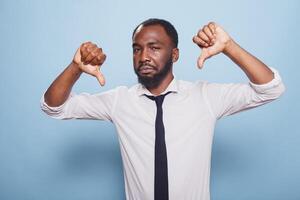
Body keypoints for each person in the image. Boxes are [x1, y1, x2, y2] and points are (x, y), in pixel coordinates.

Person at [40, 18, 285, 200]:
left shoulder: (205, 97)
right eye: (137, 49)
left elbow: (270, 88)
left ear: (174, 54)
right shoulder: (119, 101)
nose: (144, 56)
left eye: (154, 47)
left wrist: (229, 46)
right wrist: (75, 67)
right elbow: (54, 107)